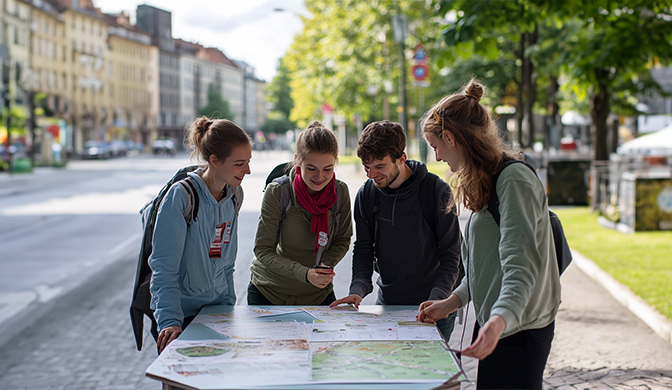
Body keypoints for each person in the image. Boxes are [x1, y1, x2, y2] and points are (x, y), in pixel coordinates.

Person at [417, 80, 561, 390]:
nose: (438, 157)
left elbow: (519, 265)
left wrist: (497, 321)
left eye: (436, 146)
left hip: (517, 326)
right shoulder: (489, 179)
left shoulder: (512, 181)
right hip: (501, 321)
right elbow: (486, 266)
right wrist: (453, 302)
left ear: (451, 138)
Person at [330, 120, 462, 340]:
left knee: (432, 372)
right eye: (366, 167)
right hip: (389, 303)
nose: (371, 175)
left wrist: (438, 299)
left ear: (401, 159)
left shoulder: (436, 191)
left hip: (435, 304)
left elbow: (451, 255)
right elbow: (363, 249)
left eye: (379, 166)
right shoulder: (366, 195)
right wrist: (357, 290)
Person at [149, 117, 252, 353]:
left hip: (216, 315)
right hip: (180, 318)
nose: (247, 170)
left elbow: (227, 264)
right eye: (239, 163)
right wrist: (170, 322)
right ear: (214, 161)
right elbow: (164, 269)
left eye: (248, 162)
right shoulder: (182, 197)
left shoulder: (234, 194)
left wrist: (227, 311)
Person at [249, 121, 352, 305]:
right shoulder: (278, 192)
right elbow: (262, 250)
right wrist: (305, 273)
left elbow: (342, 239)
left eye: (327, 169)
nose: (320, 177)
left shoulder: (340, 191)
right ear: (297, 160)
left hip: (317, 293)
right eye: (311, 168)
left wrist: (324, 267)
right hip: (269, 291)